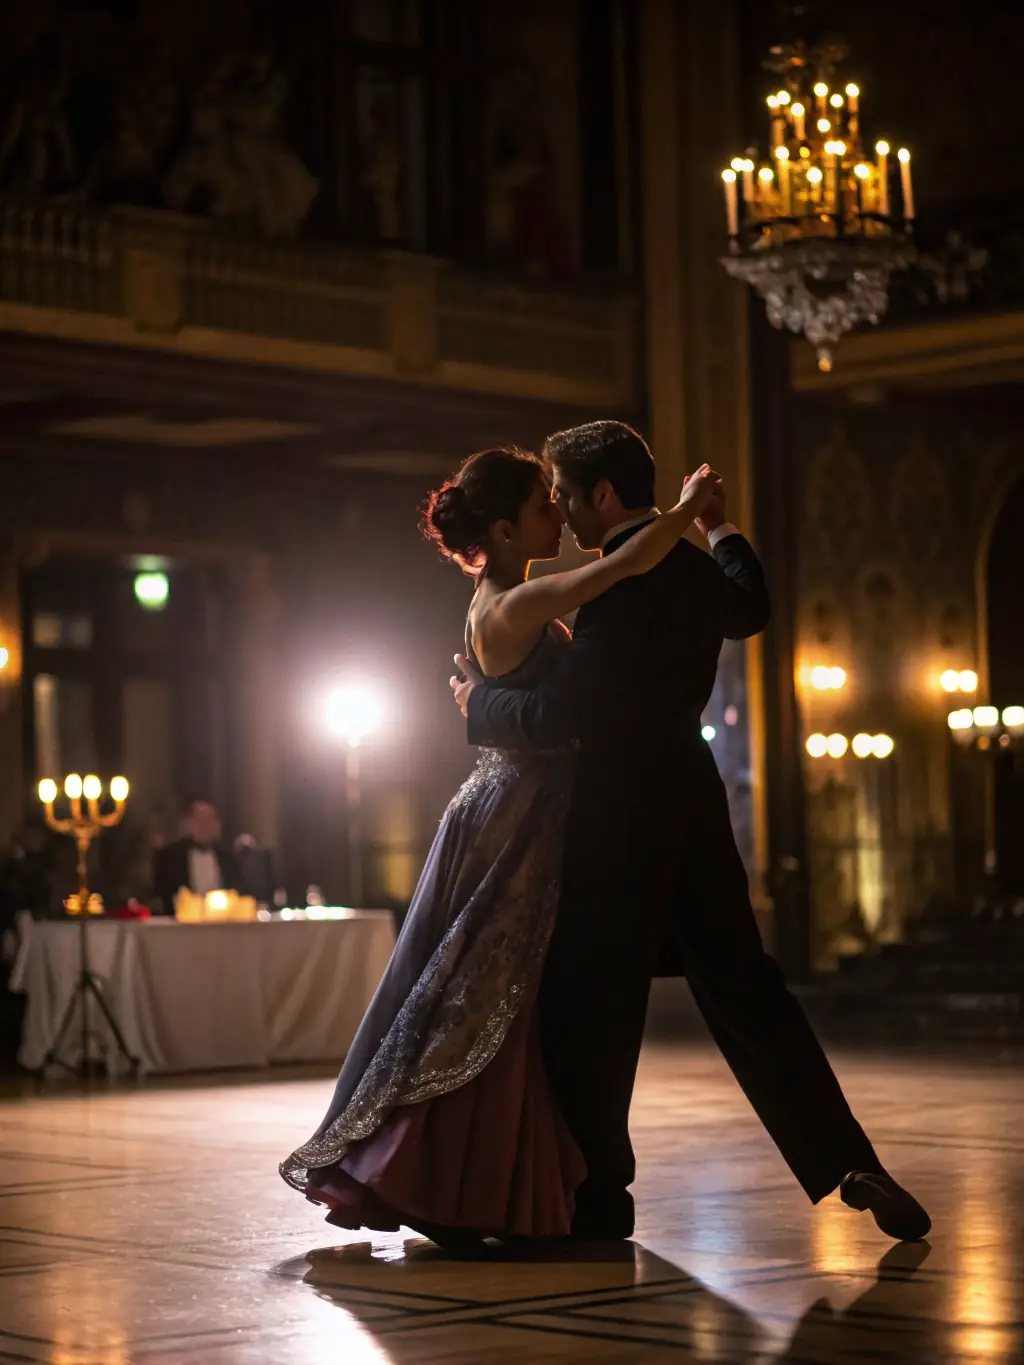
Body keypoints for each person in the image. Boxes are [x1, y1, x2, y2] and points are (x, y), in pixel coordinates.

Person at [453, 420, 930, 1244]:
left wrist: (478, 704)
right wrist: (716, 525)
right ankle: (848, 1159)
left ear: (604, 494)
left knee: (594, 1012)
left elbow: (561, 713)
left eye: (565, 494)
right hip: (696, 809)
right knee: (751, 992)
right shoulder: (694, 571)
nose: (561, 511)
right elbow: (752, 605)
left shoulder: (615, 589)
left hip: (614, 822)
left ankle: (598, 1199)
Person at [279, 445, 721, 1251]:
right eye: (544, 506)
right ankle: (441, 1179)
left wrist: (481, 699)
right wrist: (690, 510)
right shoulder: (516, 602)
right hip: (513, 812)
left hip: (515, 802)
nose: (559, 516)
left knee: (494, 999)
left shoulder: (503, 598)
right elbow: (625, 565)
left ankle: (468, 1181)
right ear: (507, 528)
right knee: (482, 996)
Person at [151, 797, 238, 917]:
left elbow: (238, 893)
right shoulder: (169, 857)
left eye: (211, 819)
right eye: (200, 819)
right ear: (188, 824)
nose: (206, 825)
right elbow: (161, 896)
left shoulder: (228, 859)